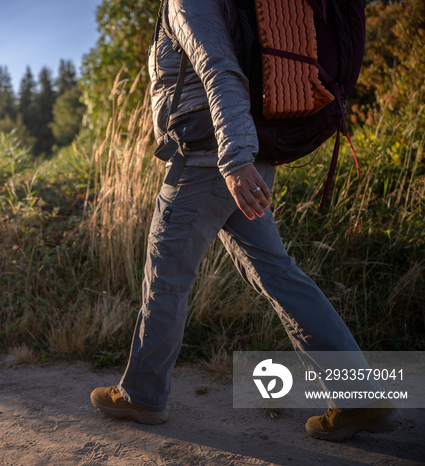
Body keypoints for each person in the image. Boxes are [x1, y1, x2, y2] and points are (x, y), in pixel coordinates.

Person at [90, 0, 403, 441]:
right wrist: (242, 158)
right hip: (243, 153)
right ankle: (358, 396)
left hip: (209, 159)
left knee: (166, 276)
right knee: (278, 273)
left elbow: (221, 70)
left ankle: (141, 394)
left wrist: (235, 161)